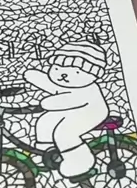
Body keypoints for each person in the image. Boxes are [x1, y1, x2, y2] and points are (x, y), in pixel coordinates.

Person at [24, 40, 109, 178]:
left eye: (76, 72)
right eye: (57, 69)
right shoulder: (66, 84)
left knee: (64, 133)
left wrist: (48, 103)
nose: (63, 75)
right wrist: (35, 77)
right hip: (70, 112)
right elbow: (51, 85)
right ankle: (47, 153)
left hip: (92, 112)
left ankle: (81, 163)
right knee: (44, 121)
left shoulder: (88, 89)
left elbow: (70, 99)